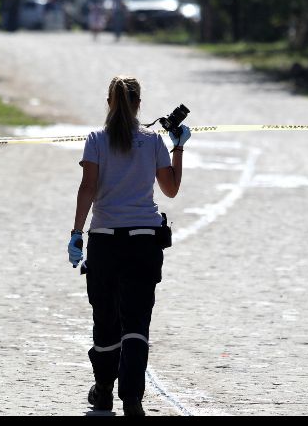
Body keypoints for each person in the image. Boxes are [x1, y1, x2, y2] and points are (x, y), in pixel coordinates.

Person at [67, 75, 191, 416]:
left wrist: (77, 232)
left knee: (105, 318)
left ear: (109, 103)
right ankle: (132, 398)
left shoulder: (95, 140)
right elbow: (171, 189)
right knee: (136, 321)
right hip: (143, 241)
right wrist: (178, 146)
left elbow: (87, 188)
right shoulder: (152, 142)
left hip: (105, 240)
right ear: (139, 105)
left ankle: (104, 389)